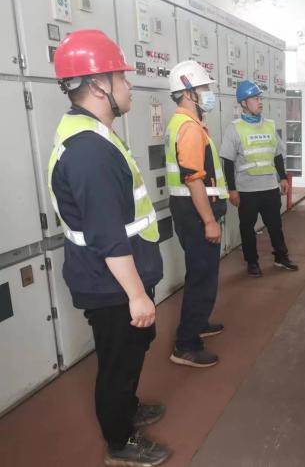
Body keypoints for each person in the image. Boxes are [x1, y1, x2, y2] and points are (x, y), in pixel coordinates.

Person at [48, 30, 168, 466]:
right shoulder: (89, 152)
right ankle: (120, 441)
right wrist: (136, 294)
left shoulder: (94, 134)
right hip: (111, 282)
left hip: (116, 276)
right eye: (123, 78)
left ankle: (127, 407)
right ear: (100, 85)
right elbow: (106, 233)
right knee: (118, 361)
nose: (129, 86)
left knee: (132, 350)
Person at [165, 60, 228, 368]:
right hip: (196, 213)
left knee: (200, 271)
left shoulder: (183, 123)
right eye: (204, 88)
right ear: (188, 92)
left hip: (187, 210)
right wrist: (209, 221)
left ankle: (199, 322)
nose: (208, 93)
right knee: (202, 276)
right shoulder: (189, 128)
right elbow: (193, 179)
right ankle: (186, 345)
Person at [219, 80, 298, 277]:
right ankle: (252, 262)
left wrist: (283, 178)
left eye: (260, 98)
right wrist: (232, 189)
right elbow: (227, 161)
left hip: (269, 187)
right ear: (243, 103)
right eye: (255, 98)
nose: (260, 101)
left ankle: (281, 256)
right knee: (247, 228)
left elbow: (277, 154)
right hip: (247, 190)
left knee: (275, 226)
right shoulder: (234, 129)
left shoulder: (269, 125)